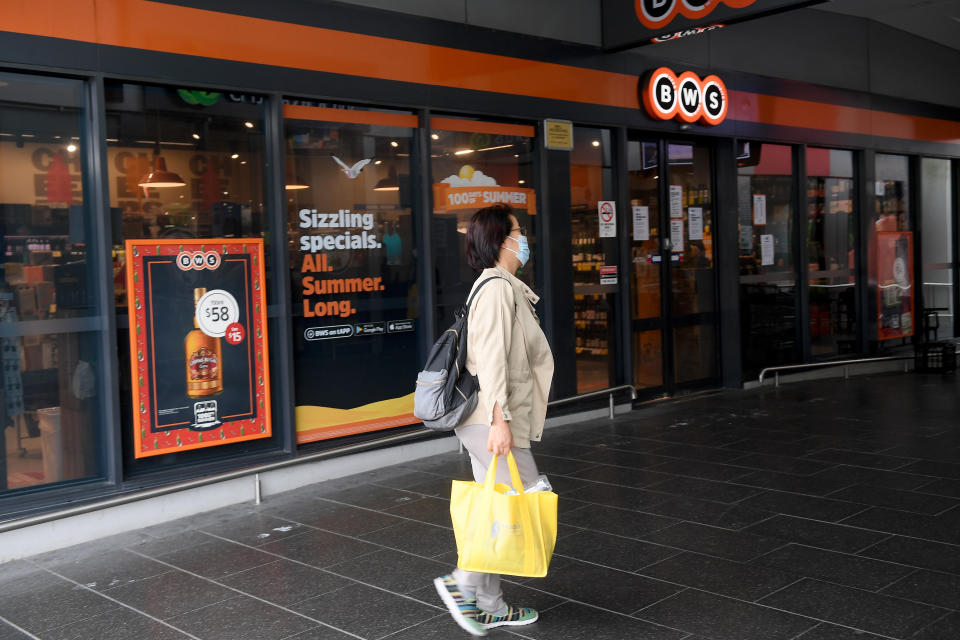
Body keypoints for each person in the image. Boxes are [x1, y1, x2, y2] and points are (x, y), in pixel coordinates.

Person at [433, 204, 555, 636]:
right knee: (521, 500)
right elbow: (492, 363)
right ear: (501, 241)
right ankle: (461, 582)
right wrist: (500, 421)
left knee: (499, 506)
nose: (525, 240)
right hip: (491, 418)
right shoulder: (499, 289)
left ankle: (490, 604)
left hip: (488, 418)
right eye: (519, 232)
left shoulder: (503, 286)